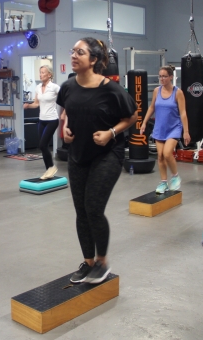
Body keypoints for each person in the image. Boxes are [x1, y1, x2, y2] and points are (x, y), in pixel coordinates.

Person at [57, 38, 137, 284]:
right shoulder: (68, 86)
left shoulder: (111, 89)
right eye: (73, 51)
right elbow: (64, 111)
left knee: (93, 208)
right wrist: (65, 128)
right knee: (81, 211)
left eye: (79, 52)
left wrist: (111, 133)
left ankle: (102, 261)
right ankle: (88, 262)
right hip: (78, 155)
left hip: (107, 155)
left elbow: (132, 117)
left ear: (93, 60)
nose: (74, 55)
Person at [140, 65, 190, 194]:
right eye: (160, 76)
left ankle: (175, 176)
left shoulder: (177, 92)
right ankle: (163, 182)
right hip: (159, 128)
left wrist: (186, 131)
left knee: (167, 153)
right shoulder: (157, 91)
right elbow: (152, 108)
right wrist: (144, 122)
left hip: (174, 128)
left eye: (165, 76)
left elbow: (183, 113)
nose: (162, 79)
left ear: (171, 77)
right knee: (160, 156)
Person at [23, 65, 60, 179]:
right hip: (42, 120)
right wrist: (28, 106)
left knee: (42, 145)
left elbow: (65, 98)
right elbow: (36, 103)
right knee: (43, 146)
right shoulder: (38, 87)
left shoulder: (54, 87)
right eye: (40, 72)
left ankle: (52, 167)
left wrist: (65, 112)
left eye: (43, 72)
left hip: (52, 120)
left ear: (49, 75)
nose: (41, 74)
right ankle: (48, 170)